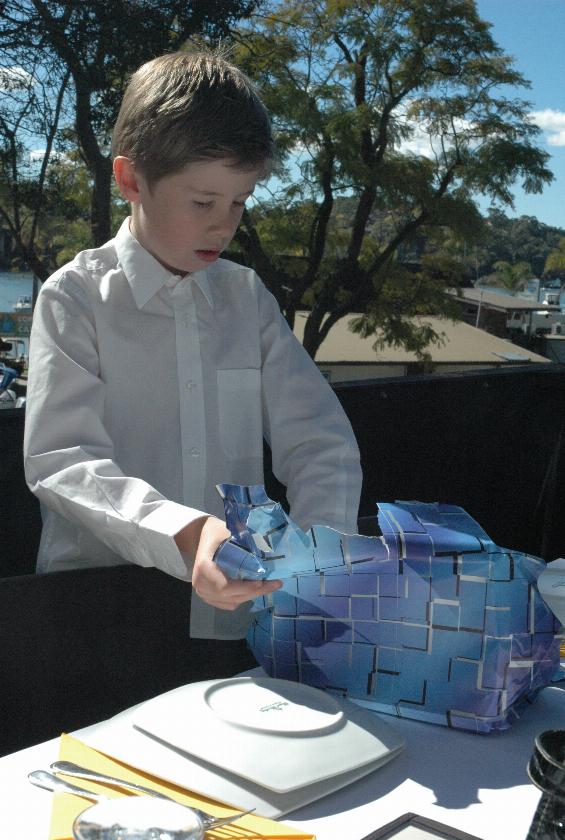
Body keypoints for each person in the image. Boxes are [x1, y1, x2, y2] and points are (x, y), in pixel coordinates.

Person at [24, 50, 362, 647]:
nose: (223, 226)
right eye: (202, 202)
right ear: (130, 180)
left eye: (239, 201)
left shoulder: (246, 298)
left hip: (233, 619)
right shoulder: (74, 298)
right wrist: (185, 533)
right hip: (95, 609)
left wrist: (317, 561)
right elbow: (63, 461)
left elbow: (321, 442)